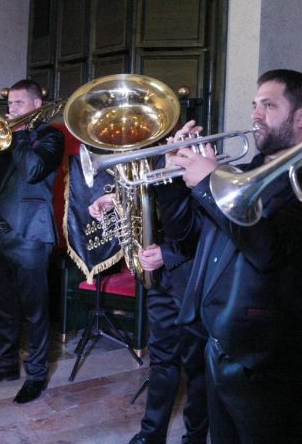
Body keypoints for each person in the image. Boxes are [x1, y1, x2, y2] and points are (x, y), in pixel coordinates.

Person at [155, 69, 302, 444]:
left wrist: (210, 182)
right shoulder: (236, 176)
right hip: (215, 343)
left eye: (269, 105)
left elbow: (267, 251)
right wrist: (172, 176)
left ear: (301, 117)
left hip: (269, 359)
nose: (255, 114)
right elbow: (185, 235)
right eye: (255, 105)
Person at [0, 79, 64, 404]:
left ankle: (36, 374)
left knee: (35, 310)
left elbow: (35, 170)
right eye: (10, 104)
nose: (11, 110)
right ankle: (6, 365)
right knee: (4, 307)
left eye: (19, 104)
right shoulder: (4, 141)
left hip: (30, 236)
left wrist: (18, 136)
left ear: (36, 105)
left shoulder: (50, 137)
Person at [89, 184, 208, 444]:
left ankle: (195, 438)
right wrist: (115, 201)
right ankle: (151, 434)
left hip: (191, 276)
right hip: (158, 278)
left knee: (198, 365)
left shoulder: (197, 151)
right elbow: (149, 203)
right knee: (162, 359)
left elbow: (210, 218)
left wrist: (167, 254)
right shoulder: (153, 157)